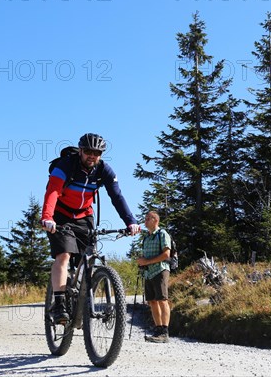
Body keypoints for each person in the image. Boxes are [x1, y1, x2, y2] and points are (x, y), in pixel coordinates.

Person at [41, 133, 141, 324]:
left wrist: (130, 221)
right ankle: (60, 304)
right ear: (80, 151)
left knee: (89, 257)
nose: (92, 156)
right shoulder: (65, 166)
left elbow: (117, 197)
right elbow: (53, 191)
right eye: (88, 151)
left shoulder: (104, 170)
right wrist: (47, 217)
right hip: (61, 215)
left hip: (84, 216)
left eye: (96, 153)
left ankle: (83, 298)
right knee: (64, 255)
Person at [137, 211, 175, 343]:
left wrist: (146, 262)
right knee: (152, 301)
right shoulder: (146, 238)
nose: (145, 221)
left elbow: (166, 255)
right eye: (145, 218)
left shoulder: (162, 234)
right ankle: (158, 330)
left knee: (162, 299)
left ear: (155, 220)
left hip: (160, 270)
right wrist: (142, 262)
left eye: (148, 219)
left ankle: (165, 332)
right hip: (149, 273)